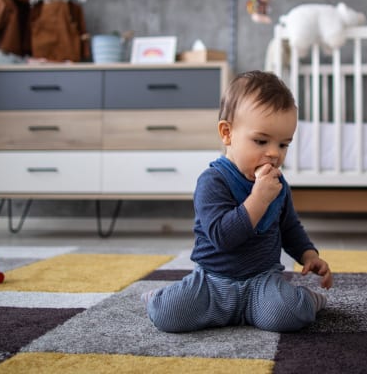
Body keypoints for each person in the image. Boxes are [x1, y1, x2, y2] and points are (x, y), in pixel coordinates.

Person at [143, 70, 333, 333]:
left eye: (283, 144)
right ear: (227, 133)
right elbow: (223, 237)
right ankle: (159, 297)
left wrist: (308, 254)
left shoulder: (277, 185)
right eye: (261, 141)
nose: (274, 153)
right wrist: (258, 198)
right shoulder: (212, 181)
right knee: (168, 315)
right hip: (212, 282)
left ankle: (308, 300)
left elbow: (289, 226)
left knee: (287, 315)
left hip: (261, 282)